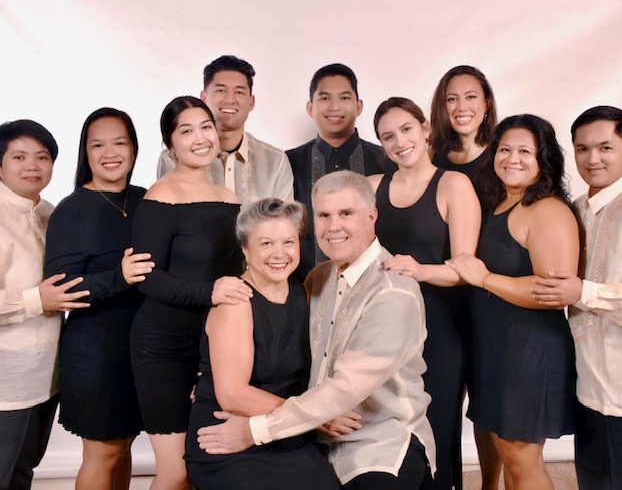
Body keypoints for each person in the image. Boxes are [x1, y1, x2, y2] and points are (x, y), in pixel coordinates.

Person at [197, 170, 436, 490]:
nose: (333, 226)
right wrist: (210, 379)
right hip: (309, 433)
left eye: (346, 213)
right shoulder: (318, 278)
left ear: (371, 216)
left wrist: (257, 429)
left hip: (378, 438)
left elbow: (346, 388)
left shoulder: (393, 292)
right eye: (324, 215)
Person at [445, 114, 579, 490]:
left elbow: (551, 293)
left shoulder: (548, 210)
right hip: (496, 347)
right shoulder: (500, 204)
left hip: (528, 350)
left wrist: (484, 278)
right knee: (503, 450)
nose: (512, 159)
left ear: (543, 159)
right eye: (504, 149)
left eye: (525, 151)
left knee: (521, 459)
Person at [184, 198, 340, 489]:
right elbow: (233, 395)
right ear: (245, 248)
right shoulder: (235, 301)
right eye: (266, 243)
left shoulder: (302, 293)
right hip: (229, 434)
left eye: (288, 242)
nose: (279, 254)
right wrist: (316, 415)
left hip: (286, 433)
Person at [130, 96, 243, 489]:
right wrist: (210, 292)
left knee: (202, 467)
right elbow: (147, 278)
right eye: (186, 130)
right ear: (170, 144)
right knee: (175, 471)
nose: (200, 138)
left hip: (214, 347)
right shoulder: (159, 197)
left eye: (206, 127)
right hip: (164, 347)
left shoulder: (230, 199)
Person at [368, 97, 481, 490]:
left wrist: (419, 270)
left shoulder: (453, 184)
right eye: (388, 137)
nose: (399, 141)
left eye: (406, 129)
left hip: (439, 325)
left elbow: (466, 269)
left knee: (437, 425)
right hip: (383, 325)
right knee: (387, 425)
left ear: (425, 128)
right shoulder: (372, 187)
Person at [44, 108, 154, 490]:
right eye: (98, 145)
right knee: (103, 452)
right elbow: (62, 291)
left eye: (119, 143)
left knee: (124, 445)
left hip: (140, 346)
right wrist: (119, 276)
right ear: (85, 152)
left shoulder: (145, 199)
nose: (110, 153)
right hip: (95, 350)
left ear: (134, 148)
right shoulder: (71, 210)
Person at [532, 106, 622, 490]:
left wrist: (584, 291)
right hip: (586, 387)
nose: (593, 158)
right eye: (582, 148)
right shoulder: (576, 210)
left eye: (605, 147)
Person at [0, 120, 90, 490]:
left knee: (23, 471)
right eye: (19, 157)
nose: (32, 166)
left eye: (42, 157)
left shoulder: (49, 213)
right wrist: (39, 298)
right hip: (7, 380)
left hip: (46, 375)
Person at [429, 66, 503, 489]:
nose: (461, 107)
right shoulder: (431, 156)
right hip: (442, 292)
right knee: (443, 400)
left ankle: (489, 484)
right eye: (452, 98)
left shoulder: (503, 156)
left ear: (486, 103)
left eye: (471, 97)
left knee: (485, 404)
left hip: (489, 291)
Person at [287, 63, 396, 278]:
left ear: (359, 106)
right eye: (325, 98)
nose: (335, 106)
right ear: (310, 107)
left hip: (378, 283)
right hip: (305, 287)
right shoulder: (289, 163)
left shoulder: (386, 160)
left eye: (344, 98)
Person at [157, 55, 294, 205]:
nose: (230, 99)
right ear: (203, 98)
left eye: (239, 92)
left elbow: (285, 219)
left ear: (251, 102)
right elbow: (168, 213)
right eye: (221, 90)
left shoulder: (276, 161)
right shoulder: (174, 158)